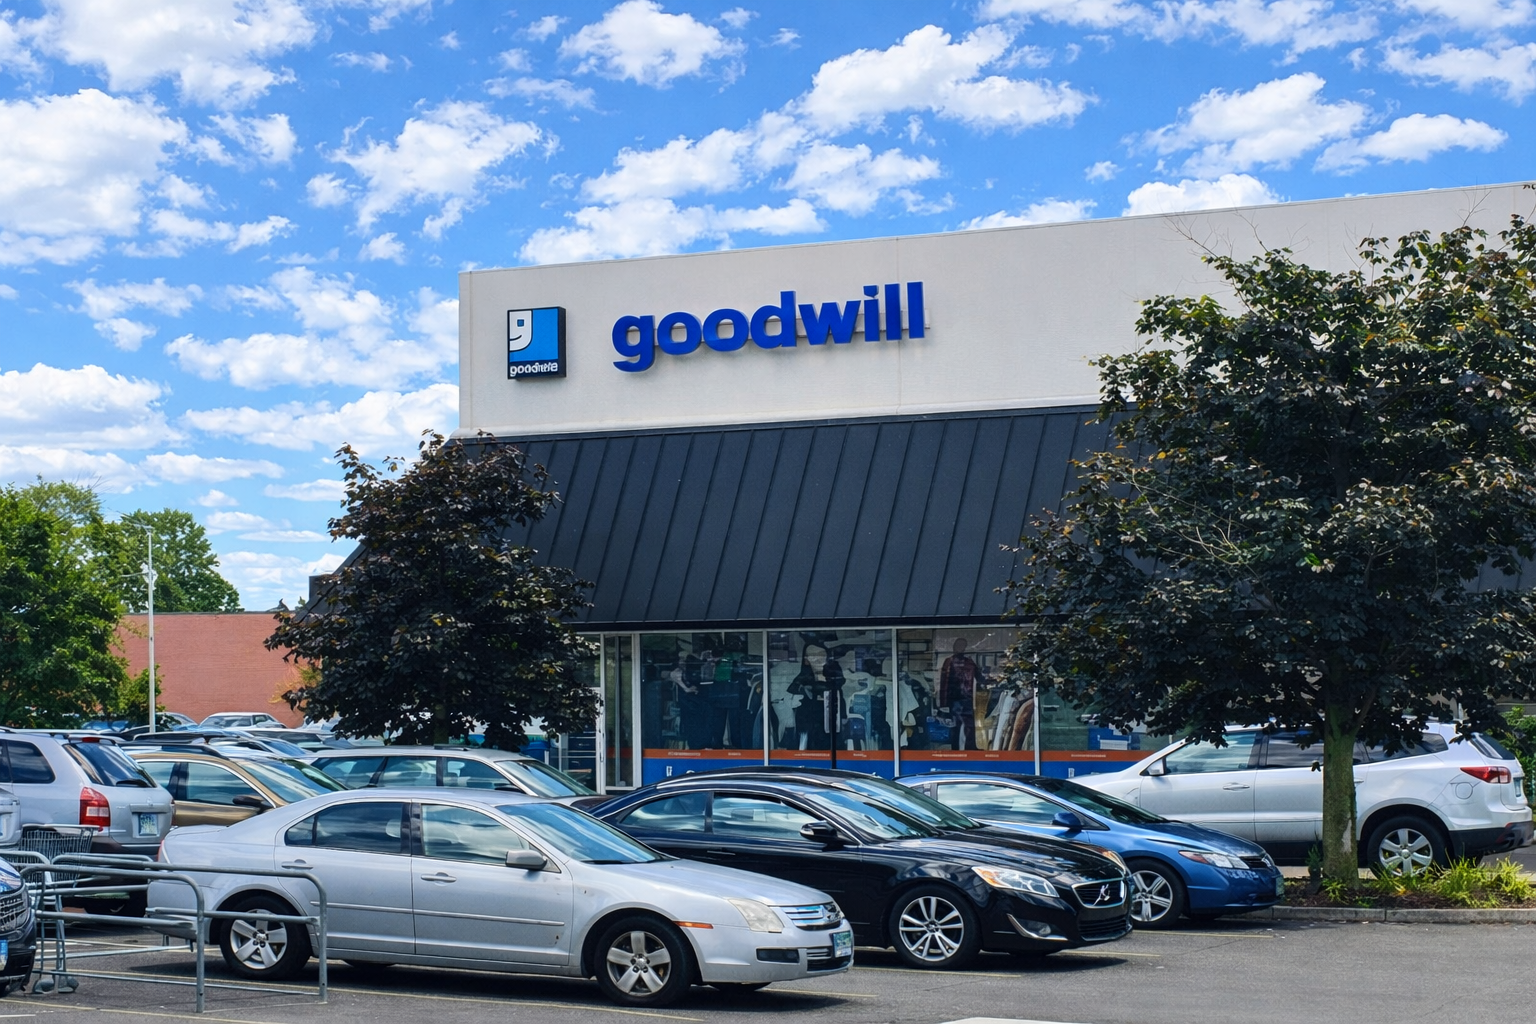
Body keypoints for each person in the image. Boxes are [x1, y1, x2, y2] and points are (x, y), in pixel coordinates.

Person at [937, 637, 985, 750]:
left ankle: (970, 748)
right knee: (956, 725)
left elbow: (979, 677)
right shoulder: (949, 662)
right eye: (958, 645)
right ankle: (955, 748)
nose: (960, 648)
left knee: (969, 725)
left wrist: (986, 682)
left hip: (967, 698)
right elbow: (943, 683)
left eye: (962, 646)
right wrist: (943, 704)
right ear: (954, 647)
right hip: (954, 699)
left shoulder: (969, 662)